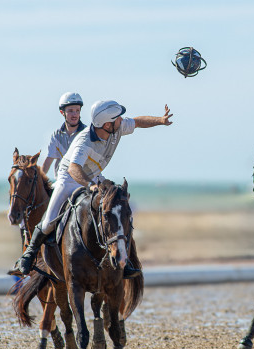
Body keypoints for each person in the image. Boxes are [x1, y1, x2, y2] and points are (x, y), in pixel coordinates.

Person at [15, 100, 173, 277]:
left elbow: (138, 121)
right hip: (69, 177)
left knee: (115, 206)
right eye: (118, 118)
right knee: (49, 221)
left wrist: (160, 120)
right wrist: (91, 185)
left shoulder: (116, 126)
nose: (122, 120)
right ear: (107, 124)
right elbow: (74, 168)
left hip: (94, 174)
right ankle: (28, 255)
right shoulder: (84, 142)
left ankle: (124, 259)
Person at [41, 92, 87, 178]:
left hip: (82, 182)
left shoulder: (87, 134)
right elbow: (48, 162)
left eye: (77, 110)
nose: (75, 114)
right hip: (61, 181)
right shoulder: (56, 135)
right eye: (70, 111)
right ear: (62, 112)